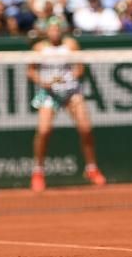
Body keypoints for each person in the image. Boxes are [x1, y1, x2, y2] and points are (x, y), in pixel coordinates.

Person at [27, 18, 106, 191]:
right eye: (51, 29)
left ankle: (92, 169)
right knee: (43, 131)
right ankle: (38, 172)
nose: (54, 32)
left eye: (57, 29)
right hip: (48, 93)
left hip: (71, 92)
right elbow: (31, 71)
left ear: (62, 30)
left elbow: (79, 69)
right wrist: (45, 82)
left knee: (85, 128)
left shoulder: (71, 45)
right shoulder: (39, 48)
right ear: (46, 31)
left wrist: (68, 78)